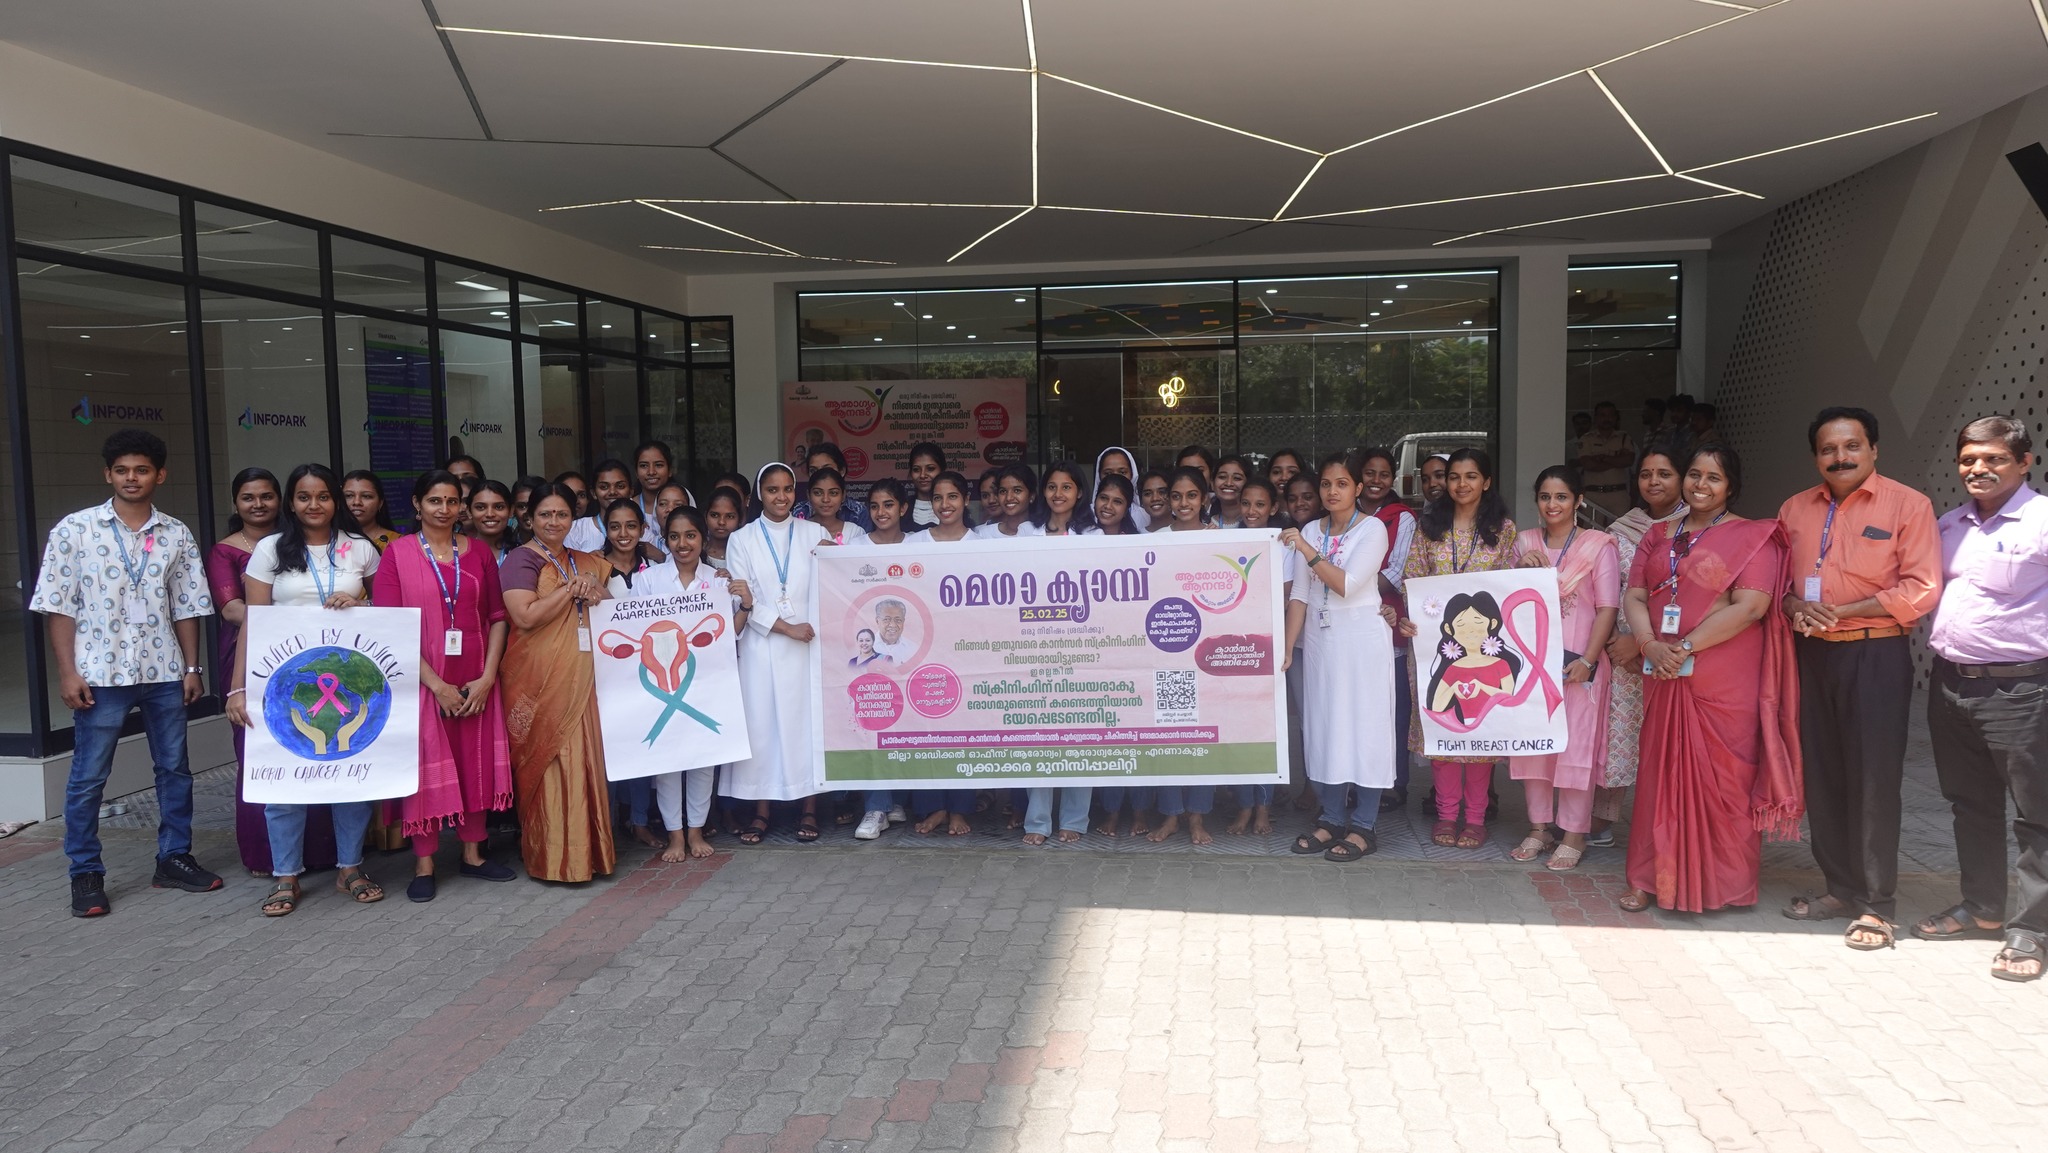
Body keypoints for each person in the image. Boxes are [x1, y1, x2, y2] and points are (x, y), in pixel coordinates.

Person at [32, 429, 220, 917]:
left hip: (163, 671)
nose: (131, 478)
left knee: (174, 770)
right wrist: (67, 672)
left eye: (141, 470)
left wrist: (192, 667)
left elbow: (187, 606)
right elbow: (59, 607)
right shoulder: (74, 530)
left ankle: (173, 858)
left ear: (160, 475)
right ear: (107, 474)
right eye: (121, 470)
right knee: (89, 777)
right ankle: (85, 873)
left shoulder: (176, 533)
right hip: (99, 673)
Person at [1777, 408, 1942, 950]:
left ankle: (1875, 905)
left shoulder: (1908, 505)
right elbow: (1776, 586)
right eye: (1828, 449)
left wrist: (1844, 612)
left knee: (1873, 780)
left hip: (1876, 654)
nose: (1840, 457)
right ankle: (1839, 889)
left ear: (1874, 450)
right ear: (1815, 457)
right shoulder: (1794, 509)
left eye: (1851, 446)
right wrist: (1794, 604)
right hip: (1811, 655)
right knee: (1822, 775)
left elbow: (1921, 587)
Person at [1620, 444, 1803, 913]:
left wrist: (1682, 648)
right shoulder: (1658, 533)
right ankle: (1647, 877)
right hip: (1663, 670)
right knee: (1659, 774)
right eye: (1695, 475)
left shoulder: (1752, 537)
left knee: (1725, 779)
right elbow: (1635, 595)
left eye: (1714, 478)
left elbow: (1751, 607)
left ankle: (1725, 885)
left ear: (1730, 486)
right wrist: (1649, 644)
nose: (1701, 485)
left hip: (1722, 676)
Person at [1916, 416, 2048, 981]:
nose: (1979, 468)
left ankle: (2032, 930)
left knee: (2036, 814)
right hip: (1951, 684)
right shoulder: (1950, 524)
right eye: (1969, 459)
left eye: (1993, 458)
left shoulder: (2042, 521)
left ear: (2024, 462)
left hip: (2021, 688)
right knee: (1970, 804)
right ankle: (1984, 907)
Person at [225, 464, 384, 914]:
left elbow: (387, 609)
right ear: (291, 503)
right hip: (286, 685)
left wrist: (361, 603)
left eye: (323, 496)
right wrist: (237, 689)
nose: (314, 505)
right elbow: (253, 622)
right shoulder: (271, 549)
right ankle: (286, 876)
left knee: (351, 778)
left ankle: (349, 868)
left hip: (346, 681)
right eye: (303, 497)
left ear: (336, 501)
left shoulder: (360, 548)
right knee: (284, 782)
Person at [373, 471, 517, 900]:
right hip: (423, 678)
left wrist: (488, 677)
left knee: (473, 761)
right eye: (435, 501)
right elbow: (391, 627)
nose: (444, 509)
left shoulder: (479, 553)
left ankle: (473, 855)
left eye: (453, 501)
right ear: (417, 504)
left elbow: (497, 617)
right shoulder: (397, 554)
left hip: (476, 675)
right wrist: (436, 686)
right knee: (427, 766)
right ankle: (424, 863)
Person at [210, 467, 327, 877]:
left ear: (282, 500)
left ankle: (318, 850)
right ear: (235, 503)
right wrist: (293, 618)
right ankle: (265, 855)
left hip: (307, 655)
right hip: (251, 655)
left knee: (312, 745)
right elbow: (232, 610)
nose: (258, 504)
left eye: (266, 496)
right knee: (261, 752)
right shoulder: (225, 551)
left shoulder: (297, 542)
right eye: (248, 497)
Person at [1400, 448, 1517, 849]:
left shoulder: (1503, 529)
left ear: (1486, 482)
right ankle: (1447, 815)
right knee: (1443, 726)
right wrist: (1412, 615)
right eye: (1454, 477)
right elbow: (1412, 578)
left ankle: (1476, 818)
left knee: (1481, 730)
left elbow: (1508, 585)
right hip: (1435, 646)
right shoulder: (1428, 526)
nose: (1461, 484)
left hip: (1484, 647)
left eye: (1471, 476)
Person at [1282, 453, 1396, 862]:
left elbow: (1347, 584)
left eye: (1342, 484)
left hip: (1363, 643)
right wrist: (1287, 649)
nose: (1333, 491)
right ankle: (1330, 818)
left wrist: (1306, 550)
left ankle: (1364, 826)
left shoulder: (1373, 529)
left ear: (1358, 489)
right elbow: (1300, 594)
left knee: (1365, 729)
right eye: (1327, 484)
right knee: (1325, 727)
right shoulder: (1311, 529)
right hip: (1320, 644)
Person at [501, 481, 616, 883]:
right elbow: (525, 616)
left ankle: (589, 855)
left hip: (581, 679)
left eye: (562, 514)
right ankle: (551, 860)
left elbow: (613, 609)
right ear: (529, 518)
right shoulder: (520, 559)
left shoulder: (585, 561)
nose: (554, 521)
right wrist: (570, 589)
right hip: (537, 681)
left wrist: (593, 589)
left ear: (573, 518)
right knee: (547, 761)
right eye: (545, 514)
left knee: (583, 760)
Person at [1508, 468, 1620, 872]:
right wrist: (1520, 568)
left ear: (1579, 501)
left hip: (1578, 664)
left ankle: (1574, 834)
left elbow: (1607, 607)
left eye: (1561, 497)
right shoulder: (1524, 543)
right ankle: (1539, 828)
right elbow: (1504, 599)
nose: (1552, 505)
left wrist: (1588, 660)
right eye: (1545, 497)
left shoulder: (1599, 546)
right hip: (1533, 664)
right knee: (1534, 746)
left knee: (1576, 748)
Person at [635, 505, 750, 862]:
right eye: (674, 536)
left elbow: (730, 633)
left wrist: (746, 605)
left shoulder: (718, 581)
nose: (682, 544)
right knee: (668, 762)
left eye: (690, 535)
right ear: (665, 539)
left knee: (703, 759)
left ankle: (696, 832)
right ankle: (675, 836)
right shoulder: (648, 580)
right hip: (663, 680)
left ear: (703, 538)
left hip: (707, 682)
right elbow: (634, 631)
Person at [725, 463, 830, 843]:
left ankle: (809, 808)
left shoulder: (815, 533)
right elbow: (743, 596)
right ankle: (762, 810)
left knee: (806, 726)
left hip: (808, 646)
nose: (781, 497)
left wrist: (838, 559)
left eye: (787, 489)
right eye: (772, 490)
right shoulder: (742, 539)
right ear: (759, 495)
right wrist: (787, 627)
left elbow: (833, 583)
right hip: (763, 646)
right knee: (763, 728)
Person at [1598, 450, 1687, 844]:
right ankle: (1602, 817)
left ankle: (1667, 825)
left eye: (1665, 473)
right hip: (1621, 650)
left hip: (1673, 651)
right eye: (1647, 474)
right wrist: (1617, 642)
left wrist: (1643, 643)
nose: (1654, 482)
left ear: (1683, 478)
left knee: (1670, 740)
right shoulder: (1622, 529)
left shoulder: (1696, 527)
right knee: (1617, 732)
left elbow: (1690, 593)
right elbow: (1608, 590)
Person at [1356, 447, 1418, 810]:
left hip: (1387, 624)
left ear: (1392, 479)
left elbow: (1397, 570)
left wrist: (1349, 587)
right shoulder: (1344, 513)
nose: (1376, 480)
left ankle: (1395, 784)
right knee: (1358, 711)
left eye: (1383, 474)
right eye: (1369, 473)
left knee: (1393, 711)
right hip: (1346, 630)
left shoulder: (1402, 518)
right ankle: (1356, 781)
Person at [1577, 401, 1637, 519]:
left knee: (1621, 529)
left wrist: (1603, 458)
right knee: (1592, 529)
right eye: (1602, 415)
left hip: (1618, 493)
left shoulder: (1624, 438)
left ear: (1616, 417)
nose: (1607, 419)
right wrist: (1616, 460)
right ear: (1596, 418)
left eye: (1610, 415)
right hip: (1593, 494)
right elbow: (1588, 464)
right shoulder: (1586, 439)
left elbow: (1628, 461)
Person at [792, 442, 872, 530]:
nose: (821, 475)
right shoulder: (800, 511)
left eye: (827, 469)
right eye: (813, 471)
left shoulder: (858, 512)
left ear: (842, 471)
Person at [564, 460, 634, 552]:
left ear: (631, 492)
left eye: (620, 486)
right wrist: (588, 559)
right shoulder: (575, 530)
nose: (612, 492)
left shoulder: (642, 530)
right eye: (604, 487)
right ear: (593, 493)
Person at [599, 498, 656, 599]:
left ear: (642, 530)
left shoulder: (654, 568)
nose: (623, 534)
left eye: (631, 526)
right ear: (606, 530)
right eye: (615, 527)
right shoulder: (595, 569)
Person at [973, 463, 1044, 538]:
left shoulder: (1042, 533)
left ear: (1032, 496)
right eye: (1003, 491)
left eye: (1017, 490)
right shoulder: (984, 534)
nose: (1008, 498)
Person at [804, 467, 870, 545]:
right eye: (818, 493)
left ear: (843, 496)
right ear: (808, 495)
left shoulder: (854, 532)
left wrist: (836, 549)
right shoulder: (799, 531)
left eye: (833, 493)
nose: (825, 499)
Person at [633, 440, 690, 524]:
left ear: (670, 470)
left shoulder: (683, 498)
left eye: (658, 465)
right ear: (636, 472)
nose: (651, 472)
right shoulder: (629, 507)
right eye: (644, 466)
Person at [342, 469, 400, 551]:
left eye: (366, 496)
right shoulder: (330, 540)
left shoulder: (397, 542)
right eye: (349, 496)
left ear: (380, 503)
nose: (357, 502)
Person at [1094, 447, 1150, 530]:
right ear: (1099, 476)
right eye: (1108, 473)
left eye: (1122, 472)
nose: (1116, 477)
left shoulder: (1145, 517)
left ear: (1132, 475)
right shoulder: (1084, 516)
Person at [1038, 461, 1095, 536]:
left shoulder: (1094, 534)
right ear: (1044, 491)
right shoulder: (1026, 530)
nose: (1057, 494)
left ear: (1079, 493)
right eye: (1052, 487)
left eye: (1066, 487)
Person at [467, 479, 519, 560]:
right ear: (469, 512)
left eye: (499, 507)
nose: (490, 514)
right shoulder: (460, 554)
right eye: (480, 507)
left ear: (511, 511)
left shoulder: (522, 554)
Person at [703, 486, 745, 571]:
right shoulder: (696, 551)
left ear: (740, 519)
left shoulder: (747, 553)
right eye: (715, 515)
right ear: (705, 516)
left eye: (730, 516)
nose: (721, 522)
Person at [906, 442, 946, 529]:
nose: (922, 475)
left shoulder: (953, 508)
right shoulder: (901, 509)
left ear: (942, 470)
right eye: (916, 469)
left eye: (930, 469)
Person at [865, 477, 912, 545]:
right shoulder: (855, 545)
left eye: (888, 505)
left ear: (902, 509)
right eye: (874, 507)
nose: (880, 513)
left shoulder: (916, 542)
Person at [1212, 456, 1250, 529]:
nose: (1229, 483)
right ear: (1212, 483)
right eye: (1222, 477)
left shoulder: (1257, 523)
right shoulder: (1205, 525)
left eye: (1237, 478)